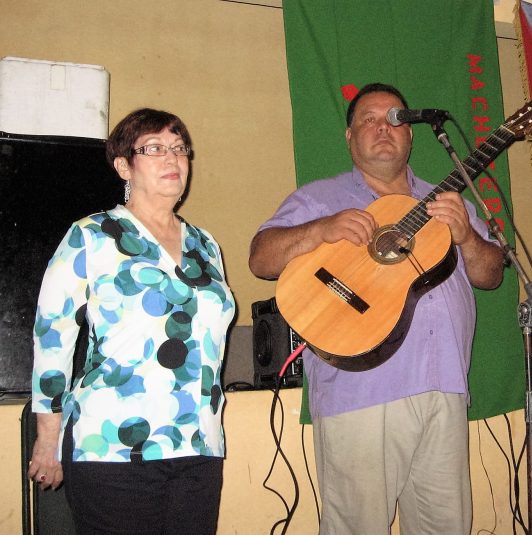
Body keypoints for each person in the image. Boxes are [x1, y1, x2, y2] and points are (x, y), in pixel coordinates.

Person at [248, 83, 505, 534]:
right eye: (368, 119)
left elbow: (491, 275)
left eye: (396, 119)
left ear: (412, 136)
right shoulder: (320, 198)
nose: (383, 127)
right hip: (360, 391)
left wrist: (466, 236)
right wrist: (321, 230)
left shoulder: (451, 203)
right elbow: (261, 258)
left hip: (444, 387)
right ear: (349, 137)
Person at [28, 108, 235, 534]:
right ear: (124, 165)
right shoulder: (92, 235)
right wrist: (48, 439)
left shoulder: (205, 244)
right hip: (113, 448)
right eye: (154, 148)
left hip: (199, 444)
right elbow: (53, 335)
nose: (172, 158)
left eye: (179, 149)